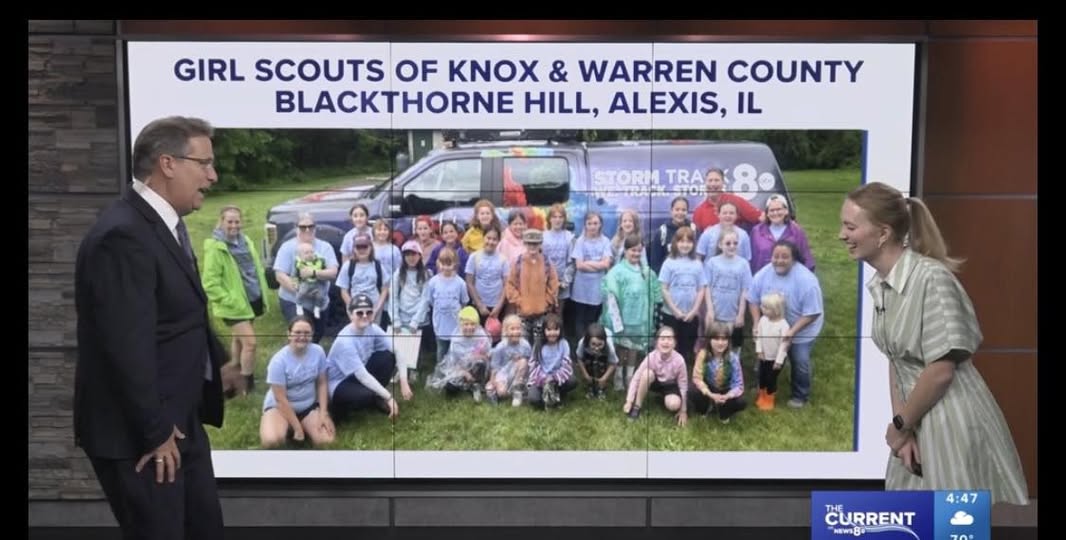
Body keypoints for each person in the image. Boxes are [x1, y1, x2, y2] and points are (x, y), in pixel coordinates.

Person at [74, 116, 225, 539]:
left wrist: (219, 364)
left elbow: (179, 315)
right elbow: (125, 345)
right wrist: (154, 433)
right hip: (143, 436)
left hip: (178, 421)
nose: (213, 176)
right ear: (167, 164)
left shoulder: (161, 226)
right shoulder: (122, 236)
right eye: (205, 163)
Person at [839, 182, 1028, 504]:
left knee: (954, 522)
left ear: (883, 233)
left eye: (850, 226)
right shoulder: (883, 285)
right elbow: (897, 361)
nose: (841, 235)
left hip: (950, 419)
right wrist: (903, 429)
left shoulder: (931, 279)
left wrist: (901, 425)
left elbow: (941, 371)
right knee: (911, 517)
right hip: (915, 421)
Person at [201, 204, 269, 394]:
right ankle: (247, 384)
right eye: (229, 222)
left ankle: (233, 371)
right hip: (235, 305)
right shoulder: (216, 248)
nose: (234, 226)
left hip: (251, 299)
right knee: (251, 344)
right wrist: (229, 300)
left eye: (237, 221)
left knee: (239, 340)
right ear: (221, 222)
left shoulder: (245, 241)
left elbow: (254, 268)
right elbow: (210, 283)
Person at [259, 317, 334, 448]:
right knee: (272, 441)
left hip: (308, 406)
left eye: (307, 333)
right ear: (289, 334)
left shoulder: (318, 352)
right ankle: (287, 424)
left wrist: (323, 412)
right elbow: (280, 399)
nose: (302, 337)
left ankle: (301, 424)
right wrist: (297, 428)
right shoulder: (278, 361)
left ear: (312, 335)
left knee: (327, 441)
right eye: (297, 332)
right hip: (280, 407)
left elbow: (322, 383)